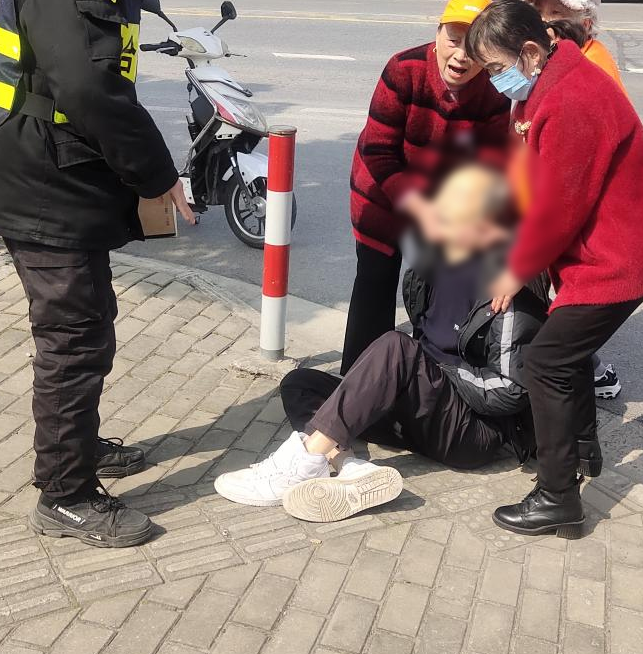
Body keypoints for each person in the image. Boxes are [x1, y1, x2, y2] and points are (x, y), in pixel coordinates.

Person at [0, 0, 239, 549]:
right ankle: (64, 494)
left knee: (88, 323)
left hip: (54, 167)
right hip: (37, 177)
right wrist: (156, 174)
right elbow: (90, 90)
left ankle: (78, 447)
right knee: (74, 335)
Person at [215, 165, 546, 522]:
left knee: (396, 348)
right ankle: (348, 466)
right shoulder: (430, 270)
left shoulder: (508, 290)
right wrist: (415, 377)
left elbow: (510, 390)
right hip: (421, 411)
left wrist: (433, 373)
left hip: (471, 431)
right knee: (299, 384)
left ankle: (304, 463)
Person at [467, 0, 643, 539]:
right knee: (568, 354)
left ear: (530, 51)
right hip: (605, 243)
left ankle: (557, 496)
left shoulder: (570, 98)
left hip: (622, 251)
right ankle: (581, 449)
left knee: (546, 363)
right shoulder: (546, 81)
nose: (494, 81)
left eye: (496, 68)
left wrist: (517, 267)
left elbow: (560, 206)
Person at [344, 0, 511, 374]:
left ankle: (423, 379)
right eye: (454, 39)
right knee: (375, 283)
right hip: (382, 196)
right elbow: (378, 150)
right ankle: (358, 383)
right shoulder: (404, 69)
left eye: (475, 46)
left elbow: (489, 164)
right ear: (437, 34)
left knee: (438, 296)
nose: (461, 56)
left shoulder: (494, 89)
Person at [523, 0, 627, 400]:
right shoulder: (555, 61)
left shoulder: (591, 70)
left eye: (557, 13)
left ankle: (585, 374)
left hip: (586, 221)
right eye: (540, 11)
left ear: (586, 21)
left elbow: (573, 177)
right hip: (563, 211)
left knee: (567, 309)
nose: (546, 21)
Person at [523, 0, 624, 91]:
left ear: (585, 24)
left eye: (556, 12)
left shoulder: (591, 67)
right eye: (538, 11)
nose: (543, 20)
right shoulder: (552, 53)